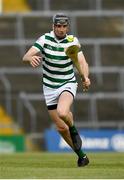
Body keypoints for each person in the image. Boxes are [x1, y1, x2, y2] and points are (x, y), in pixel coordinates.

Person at [23, 13, 91, 167]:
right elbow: (26, 55)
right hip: (49, 87)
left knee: (62, 112)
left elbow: (81, 61)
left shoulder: (72, 41)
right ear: (53, 26)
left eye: (64, 26)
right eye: (58, 26)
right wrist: (30, 58)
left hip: (67, 83)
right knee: (61, 127)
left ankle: (73, 128)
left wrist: (85, 77)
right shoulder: (45, 39)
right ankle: (82, 156)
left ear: (67, 27)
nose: (61, 29)